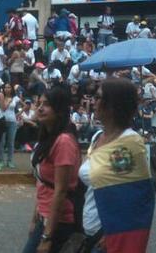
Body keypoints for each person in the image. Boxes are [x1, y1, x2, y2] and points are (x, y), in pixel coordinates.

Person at [79, 78, 155, 253]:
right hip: (89, 229)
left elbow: (134, 196)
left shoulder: (129, 143)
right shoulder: (97, 137)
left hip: (110, 237)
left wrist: (114, 232)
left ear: (113, 105)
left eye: (98, 97)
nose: (93, 102)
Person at [22, 85, 81, 253]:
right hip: (45, 216)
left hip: (59, 222)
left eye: (46, 104)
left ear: (60, 110)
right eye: (39, 103)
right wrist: (35, 218)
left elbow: (60, 190)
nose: (40, 108)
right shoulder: (48, 138)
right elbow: (44, 183)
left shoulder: (63, 142)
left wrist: (47, 237)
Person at [0, 83, 21, 169]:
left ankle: (10, 160)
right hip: (2, 120)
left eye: (9, 87)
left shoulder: (15, 98)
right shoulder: (1, 96)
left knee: (11, 142)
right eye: (6, 87)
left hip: (12, 121)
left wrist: (19, 115)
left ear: (12, 89)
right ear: (3, 89)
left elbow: (24, 106)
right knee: (1, 142)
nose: (7, 89)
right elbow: (1, 108)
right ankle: (1, 160)